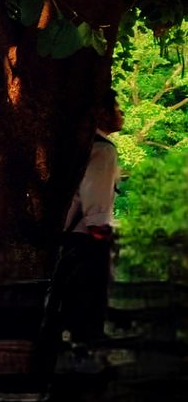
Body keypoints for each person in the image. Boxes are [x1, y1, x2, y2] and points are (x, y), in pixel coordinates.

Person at [45, 91, 123, 353]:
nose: (121, 113)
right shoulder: (103, 149)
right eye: (117, 107)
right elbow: (95, 198)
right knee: (88, 296)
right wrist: (101, 234)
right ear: (102, 113)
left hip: (69, 232)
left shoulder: (77, 145)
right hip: (86, 235)